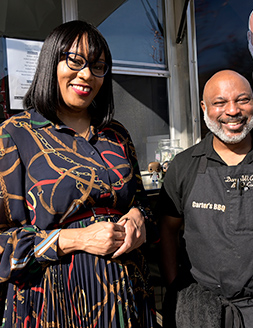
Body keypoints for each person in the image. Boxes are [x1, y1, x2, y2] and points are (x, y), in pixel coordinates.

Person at [0, 20, 158, 327]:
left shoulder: (116, 135)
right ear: (50, 61)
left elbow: (145, 208)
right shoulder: (15, 136)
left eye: (98, 66)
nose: (86, 74)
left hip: (128, 300)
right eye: (75, 61)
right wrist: (75, 239)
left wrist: (139, 218)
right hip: (53, 304)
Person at [158, 70, 253, 327]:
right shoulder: (183, 166)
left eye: (242, 100)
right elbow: (168, 232)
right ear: (204, 108)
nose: (232, 111)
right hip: (198, 312)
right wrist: (175, 291)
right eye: (220, 103)